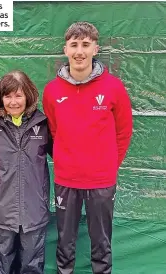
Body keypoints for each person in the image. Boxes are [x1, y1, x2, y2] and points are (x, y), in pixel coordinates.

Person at [42, 22, 133, 274]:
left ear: (96, 48)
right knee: (65, 240)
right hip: (66, 178)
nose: (79, 51)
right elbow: (54, 131)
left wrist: (109, 165)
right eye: (74, 45)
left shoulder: (113, 87)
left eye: (85, 44)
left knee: (101, 241)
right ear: (65, 49)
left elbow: (124, 131)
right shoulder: (51, 91)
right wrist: (65, 159)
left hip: (102, 181)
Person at [0, 70, 52, 274]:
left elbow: (63, 153)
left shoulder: (43, 124)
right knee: (2, 262)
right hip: (2, 208)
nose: (13, 102)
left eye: (18, 95)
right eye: (8, 96)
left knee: (32, 263)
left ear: (28, 96)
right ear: (0, 98)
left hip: (34, 208)